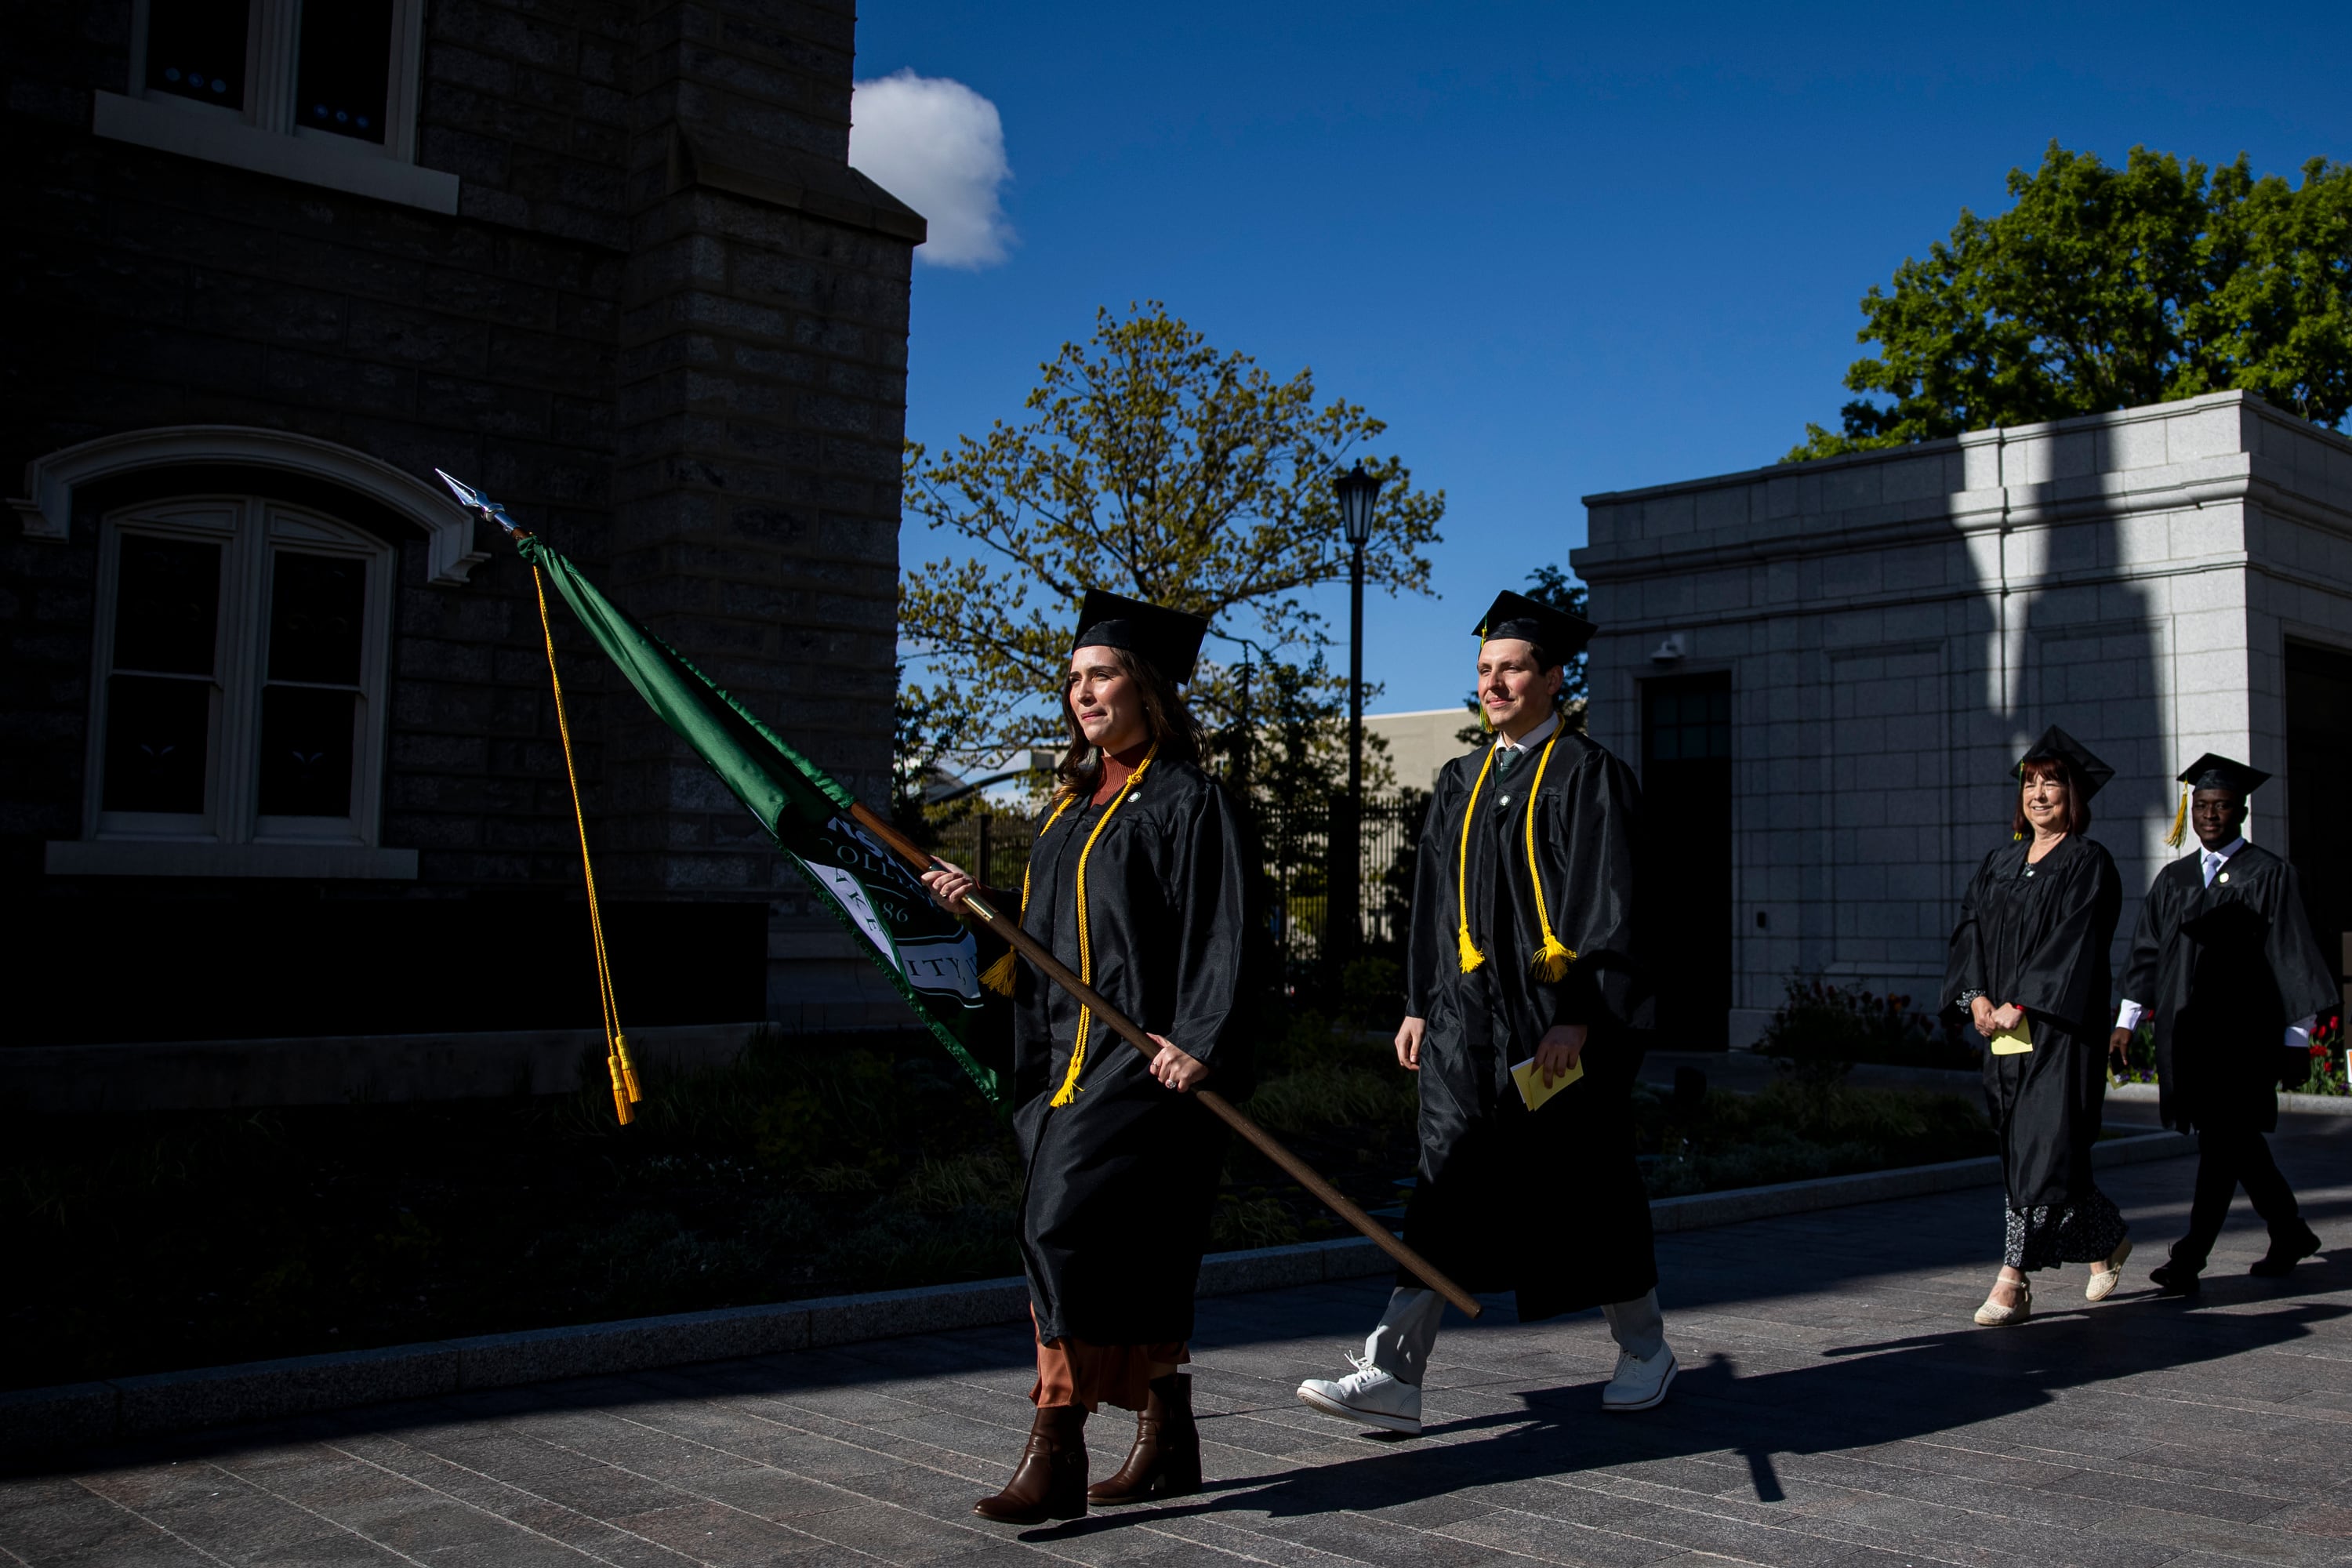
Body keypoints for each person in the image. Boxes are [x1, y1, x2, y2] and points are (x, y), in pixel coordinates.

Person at [1294, 590, 1669, 1437]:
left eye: (1511, 668)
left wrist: (1577, 1014)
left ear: (1553, 677)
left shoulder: (1587, 772)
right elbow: (1432, 904)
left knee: (1587, 1182)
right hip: (1465, 1019)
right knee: (1444, 1179)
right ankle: (1392, 1367)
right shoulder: (1463, 778)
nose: (1494, 683)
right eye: (1484, 670)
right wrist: (1420, 1003)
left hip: (1555, 1027)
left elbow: (1612, 902)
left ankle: (1644, 1345)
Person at [921, 591, 1251, 1524]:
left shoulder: (1191, 800)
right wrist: (981, 904)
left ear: (1147, 685)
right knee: (1136, 1245)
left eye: (1101, 674)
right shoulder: (1075, 804)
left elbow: (1225, 934)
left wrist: (1202, 1039)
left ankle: (1056, 1444)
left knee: (1057, 1223)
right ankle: (1168, 1433)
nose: (1082, 692)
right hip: (1061, 1055)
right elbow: (1056, 937)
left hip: (1146, 1058)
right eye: (1074, 677)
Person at [2112, 753, 2338, 1294]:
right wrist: (2126, 1020)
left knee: (2221, 1146)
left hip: (2245, 1038)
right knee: (2237, 1145)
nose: (2210, 816)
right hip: (2189, 1039)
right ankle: (2290, 1232)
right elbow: (2147, 953)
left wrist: (2297, 1036)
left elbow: (2292, 955)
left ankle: (2189, 1259)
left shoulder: (2270, 875)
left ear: (2241, 810)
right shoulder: (2175, 879)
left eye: (2222, 806)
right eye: (2203, 807)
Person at [1944, 727, 2129, 1327]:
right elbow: (1970, 928)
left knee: (2041, 1146)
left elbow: (2073, 945)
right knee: (2025, 1144)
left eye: (2053, 782)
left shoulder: (2087, 863)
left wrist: (2020, 1003)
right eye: (2031, 781)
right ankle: (2106, 1242)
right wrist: (1975, 997)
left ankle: (2013, 1280)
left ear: (2074, 795)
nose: (2040, 793)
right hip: (2001, 1031)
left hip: (2057, 1030)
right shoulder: (2000, 861)